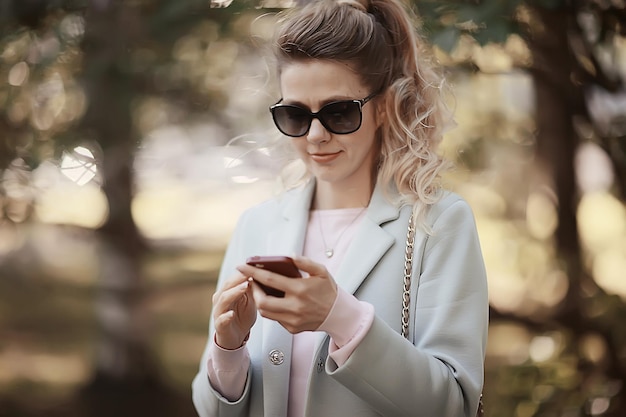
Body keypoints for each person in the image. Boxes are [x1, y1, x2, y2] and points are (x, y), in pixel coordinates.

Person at [192, 0, 489, 416]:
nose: (315, 135)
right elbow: (210, 409)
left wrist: (341, 317)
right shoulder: (256, 224)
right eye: (295, 114)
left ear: (384, 107)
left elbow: (454, 405)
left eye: (339, 112)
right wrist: (228, 349)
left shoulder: (438, 224)